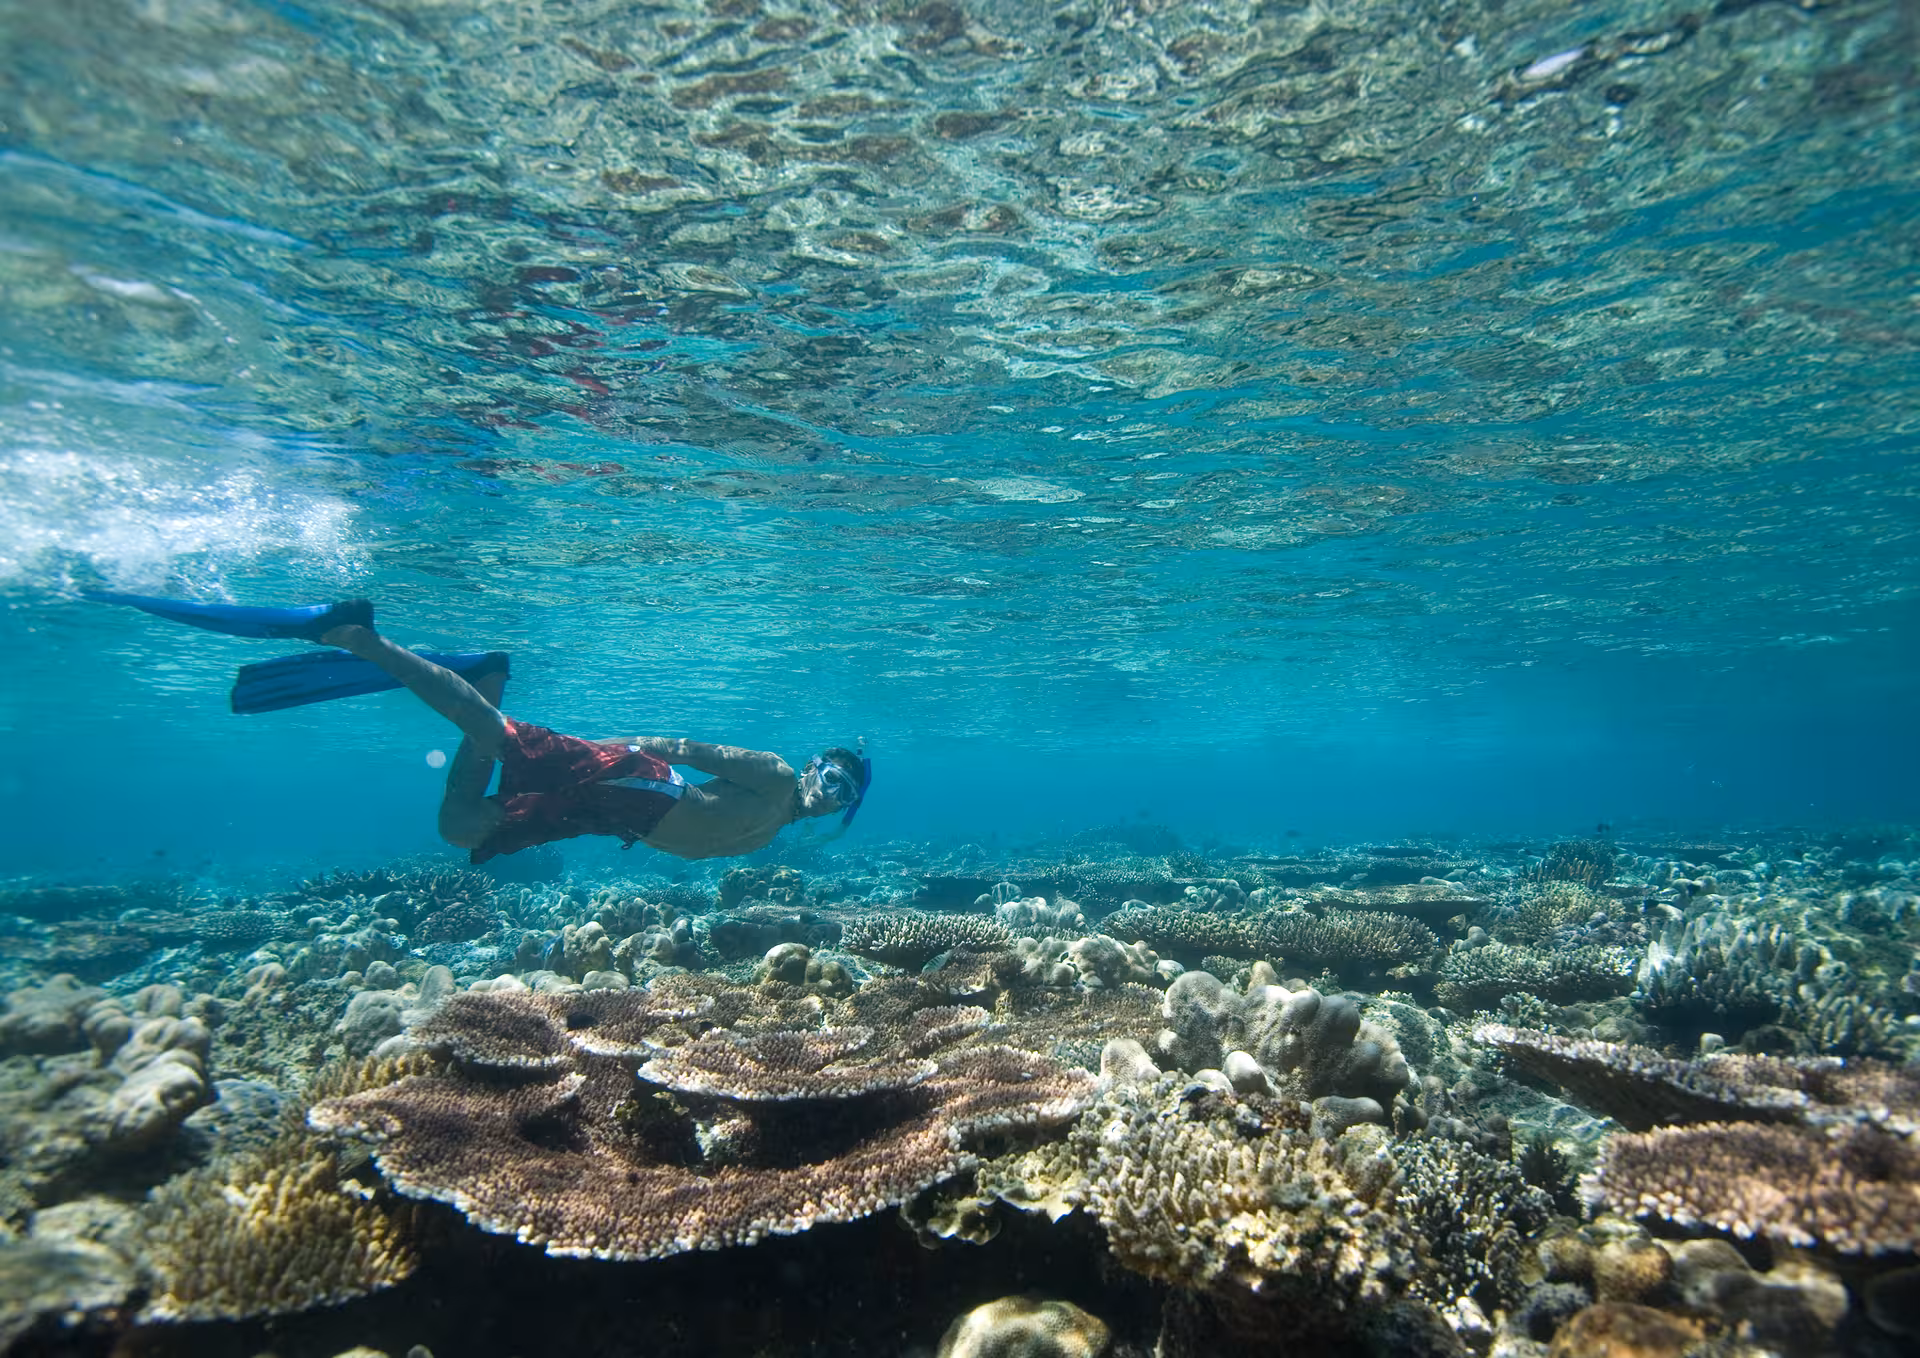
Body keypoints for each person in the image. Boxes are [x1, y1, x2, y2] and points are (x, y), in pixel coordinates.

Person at [86, 592, 871, 863]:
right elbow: (683, 749)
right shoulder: (770, 773)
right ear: (810, 766)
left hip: (608, 820)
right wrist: (613, 746)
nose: (831, 792)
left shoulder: (775, 830)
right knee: (495, 733)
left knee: (460, 829)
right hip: (627, 780)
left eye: (844, 792)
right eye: (830, 775)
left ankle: (482, 677)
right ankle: (357, 637)